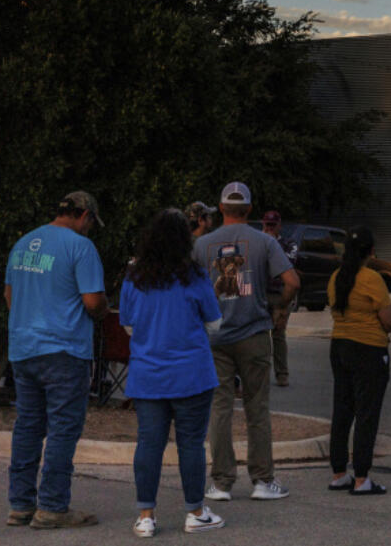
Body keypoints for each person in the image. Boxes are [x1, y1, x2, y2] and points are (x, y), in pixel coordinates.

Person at [5, 191, 107, 529]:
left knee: (28, 427)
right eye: (92, 223)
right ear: (85, 216)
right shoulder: (81, 247)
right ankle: (52, 506)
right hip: (65, 351)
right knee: (63, 429)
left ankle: (20, 505)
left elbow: (9, 295)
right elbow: (93, 302)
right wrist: (103, 312)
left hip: (23, 348)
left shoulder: (23, 242)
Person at [119, 209, 224, 536]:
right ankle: (195, 511)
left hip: (148, 375)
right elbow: (214, 323)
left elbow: (128, 326)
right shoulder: (195, 276)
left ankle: (146, 516)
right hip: (192, 374)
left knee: (149, 443)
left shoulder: (134, 278)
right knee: (191, 445)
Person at [193, 181, 299, 502]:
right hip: (254, 333)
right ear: (250, 210)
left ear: (221, 208)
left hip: (215, 336)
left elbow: (189, 287)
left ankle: (222, 482)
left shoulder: (202, 245)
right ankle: (263, 480)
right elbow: (292, 281)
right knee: (257, 407)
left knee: (220, 407)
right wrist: (278, 309)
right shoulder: (264, 241)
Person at [327, 226, 391, 496]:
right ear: (371, 251)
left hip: (340, 345)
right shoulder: (372, 278)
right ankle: (362, 477)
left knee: (342, 410)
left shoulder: (335, 277)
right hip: (369, 349)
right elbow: (387, 320)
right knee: (367, 414)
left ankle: (339, 473)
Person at [259, 210, 299, 387]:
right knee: (260, 335)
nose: (269, 228)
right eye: (267, 225)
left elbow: (287, 263)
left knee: (278, 333)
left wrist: (272, 243)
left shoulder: (288, 244)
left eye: (273, 225)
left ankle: (282, 373)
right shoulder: (258, 242)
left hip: (281, 293)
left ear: (279, 226)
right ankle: (260, 373)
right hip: (262, 293)